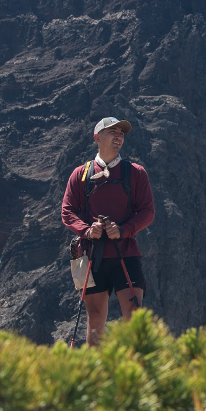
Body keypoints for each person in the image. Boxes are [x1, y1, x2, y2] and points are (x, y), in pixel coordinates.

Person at [62, 117, 155, 346]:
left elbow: (147, 211)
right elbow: (67, 212)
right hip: (93, 257)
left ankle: (135, 373)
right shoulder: (80, 175)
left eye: (121, 133)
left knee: (134, 316)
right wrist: (87, 231)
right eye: (112, 131)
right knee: (94, 319)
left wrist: (123, 230)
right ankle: (99, 376)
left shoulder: (136, 173)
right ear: (97, 137)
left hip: (125, 252)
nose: (118, 136)